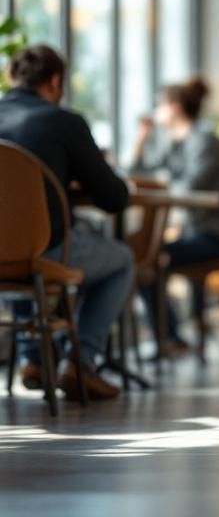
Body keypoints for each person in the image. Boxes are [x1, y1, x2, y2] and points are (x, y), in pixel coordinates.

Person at [0, 45, 131, 400]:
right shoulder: (64, 122)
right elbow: (113, 198)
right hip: (46, 251)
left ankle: (34, 360)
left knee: (16, 245)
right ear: (55, 81)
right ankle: (79, 362)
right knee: (121, 260)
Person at [131, 77, 219, 354]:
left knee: (153, 260)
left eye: (160, 105)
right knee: (146, 257)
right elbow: (135, 171)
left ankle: (170, 339)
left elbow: (191, 187)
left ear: (173, 108)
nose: (156, 110)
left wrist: (161, 183)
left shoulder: (205, 142)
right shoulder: (173, 142)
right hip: (197, 232)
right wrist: (142, 137)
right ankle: (171, 338)